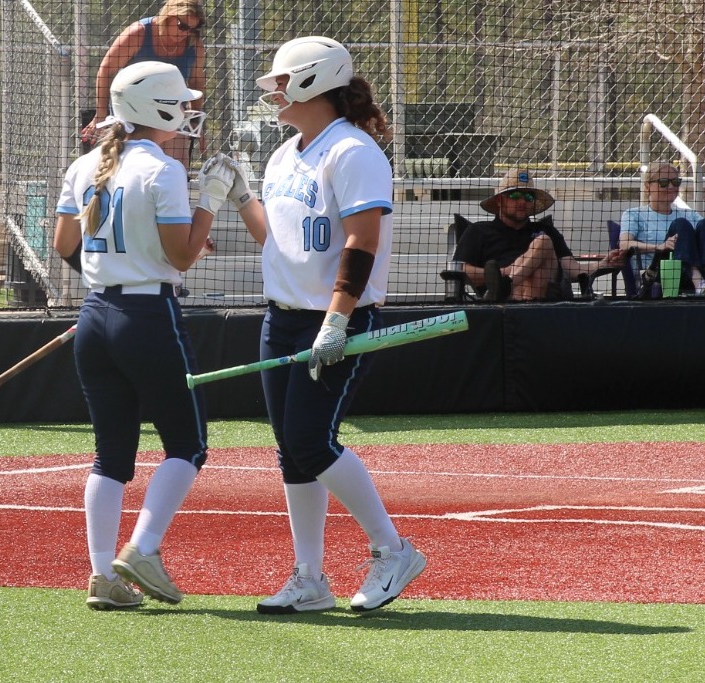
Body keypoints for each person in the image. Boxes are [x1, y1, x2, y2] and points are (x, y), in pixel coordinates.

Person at [211, 36, 426, 614]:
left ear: (313, 81)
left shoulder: (353, 151)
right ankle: (309, 577)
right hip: (281, 317)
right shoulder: (285, 154)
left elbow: (362, 240)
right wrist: (242, 198)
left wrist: (337, 320)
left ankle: (393, 550)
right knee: (291, 450)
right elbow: (277, 240)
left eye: (283, 82)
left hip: (335, 319)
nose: (275, 92)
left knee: (311, 442)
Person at [53, 61, 237, 607]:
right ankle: (143, 548)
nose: (186, 110)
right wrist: (211, 202)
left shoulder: (84, 164)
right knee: (187, 445)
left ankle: (101, 576)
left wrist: (109, 278)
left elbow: (65, 244)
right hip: (148, 316)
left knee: (110, 455)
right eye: (178, 102)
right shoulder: (163, 169)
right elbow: (181, 256)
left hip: (96, 315)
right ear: (155, 107)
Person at [455, 169, 626, 302]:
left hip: (542, 299)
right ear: (500, 201)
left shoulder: (546, 230)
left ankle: (504, 285)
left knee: (543, 242)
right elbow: (460, 270)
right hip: (506, 302)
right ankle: (507, 289)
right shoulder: (478, 231)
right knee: (533, 267)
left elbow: (573, 270)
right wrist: (504, 271)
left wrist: (603, 264)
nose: (522, 201)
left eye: (528, 196)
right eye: (515, 195)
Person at [79, 0, 207, 168]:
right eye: (182, 26)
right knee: (124, 166)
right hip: (133, 115)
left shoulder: (194, 45)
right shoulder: (138, 33)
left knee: (174, 166)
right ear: (167, 16)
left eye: (193, 29)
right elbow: (106, 70)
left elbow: (196, 81)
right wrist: (101, 114)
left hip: (169, 115)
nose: (186, 33)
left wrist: (195, 120)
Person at [618, 161, 705, 297]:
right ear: (647, 187)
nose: (671, 186)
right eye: (663, 182)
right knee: (681, 224)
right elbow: (624, 244)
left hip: (702, 278)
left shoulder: (689, 214)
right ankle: (698, 282)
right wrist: (659, 247)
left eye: (675, 182)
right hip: (661, 275)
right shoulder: (633, 214)